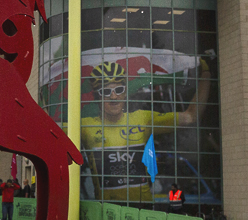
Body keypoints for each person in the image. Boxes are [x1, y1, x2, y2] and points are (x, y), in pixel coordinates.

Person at [79, 58, 211, 205]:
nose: (114, 96)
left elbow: (190, 116)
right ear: (97, 96)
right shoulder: (84, 126)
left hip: (142, 209)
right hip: (107, 211)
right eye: (106, 91)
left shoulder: (142, 119)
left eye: (119, 90)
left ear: (125, 93)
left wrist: (206, 74)